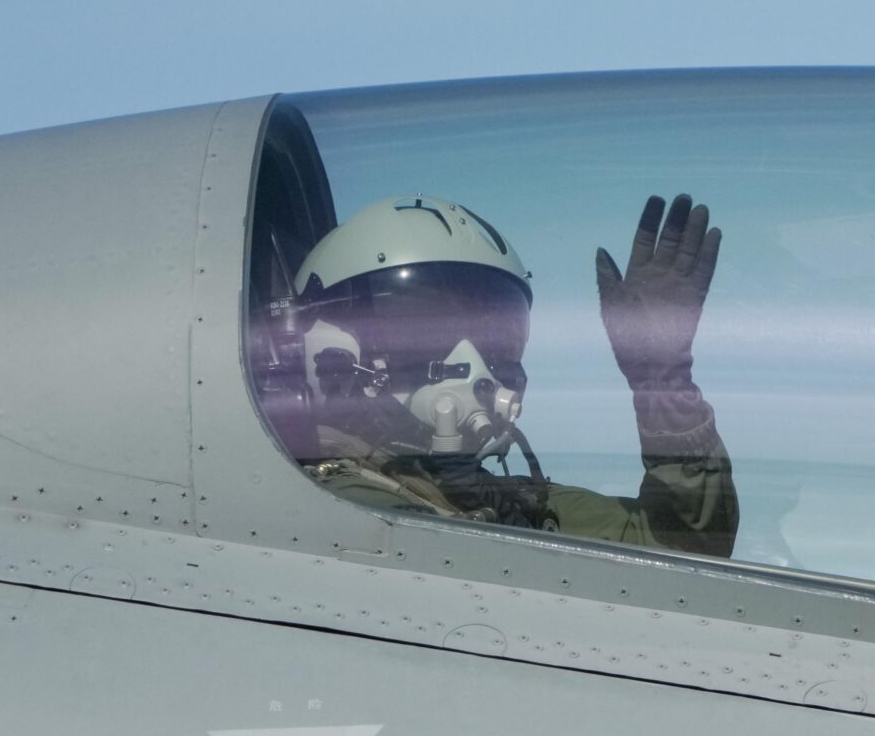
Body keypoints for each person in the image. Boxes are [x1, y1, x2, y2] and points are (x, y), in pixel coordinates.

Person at [267, 192, 738, 557]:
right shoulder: (326, 512)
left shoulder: (511, 506)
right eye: (428, 329)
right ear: (332, 346)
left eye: (495, 338)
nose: (475, 365)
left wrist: (665, 385)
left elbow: (683, 550)